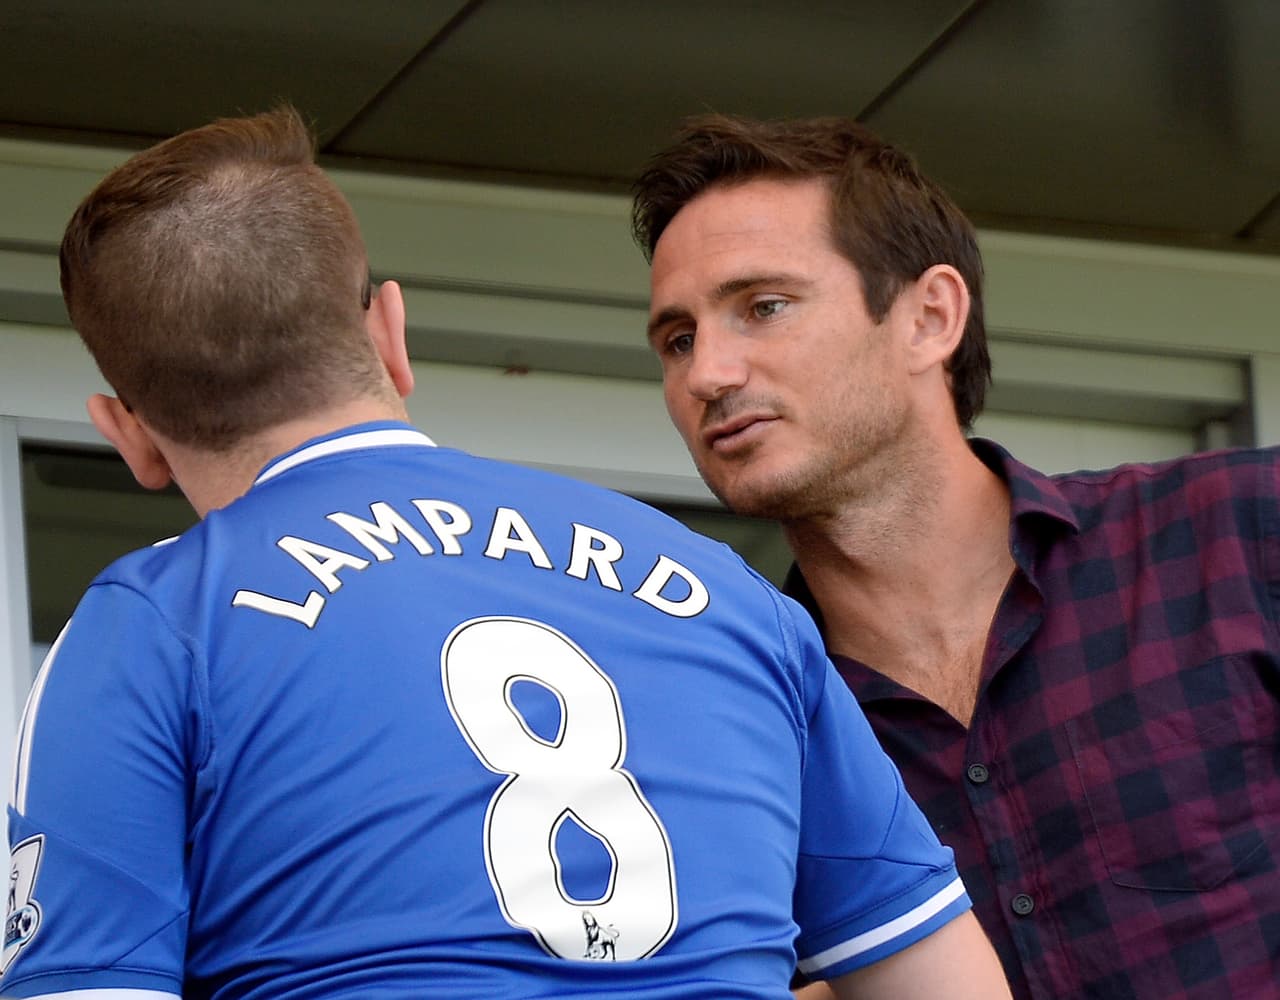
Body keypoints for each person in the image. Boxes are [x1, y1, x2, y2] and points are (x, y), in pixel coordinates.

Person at [0, 107, 1011, 1000]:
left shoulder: (155, 623)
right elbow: (941, 980)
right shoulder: (725, 595)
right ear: (389, 333)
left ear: (126, 433)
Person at [632, 113, 1280, 1000]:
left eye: (764, 307)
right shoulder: (730, 729)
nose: (708, 373)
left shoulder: (1241, 531)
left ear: (929, 317)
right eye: (678, 340)